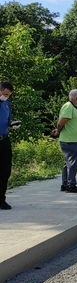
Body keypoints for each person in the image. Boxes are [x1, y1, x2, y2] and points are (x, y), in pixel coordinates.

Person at [52, 89, 77, 193]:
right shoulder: (68, 106)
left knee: (68, 163)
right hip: (70, 140)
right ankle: (71, 185)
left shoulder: (72, 107)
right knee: (72, 163)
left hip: (72, 139)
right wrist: (58, 131)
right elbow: (61, 122)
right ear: (76, 98)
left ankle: (65, 183)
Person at [0, 82, 19, 210]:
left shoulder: (7, 103)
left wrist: (13, 124)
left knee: (5, 171)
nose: (6, 96)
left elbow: (8, 120)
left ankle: (1, 199)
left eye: (9, 95)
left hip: (4, 140)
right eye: (4, 94)